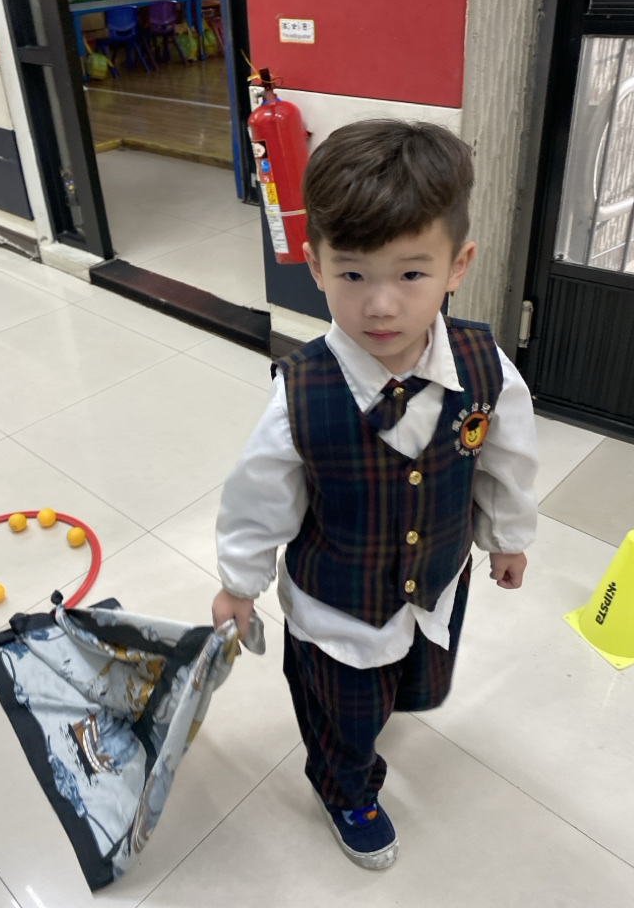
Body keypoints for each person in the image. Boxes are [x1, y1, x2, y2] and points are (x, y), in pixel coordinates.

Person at [212, 120, 538, 870]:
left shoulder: (484, 367)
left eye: (411, 274)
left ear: (458, 265)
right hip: (337, 611)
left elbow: (508, 460)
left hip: (434, 587)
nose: (382, 306)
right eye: (354, 276)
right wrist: (238, 582)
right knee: (342, 719)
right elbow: (258, 499)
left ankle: (382, 709)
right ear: (315, 265)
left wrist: (508, 537)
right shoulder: (303, 392)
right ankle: (345, 790)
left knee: (413, 682)